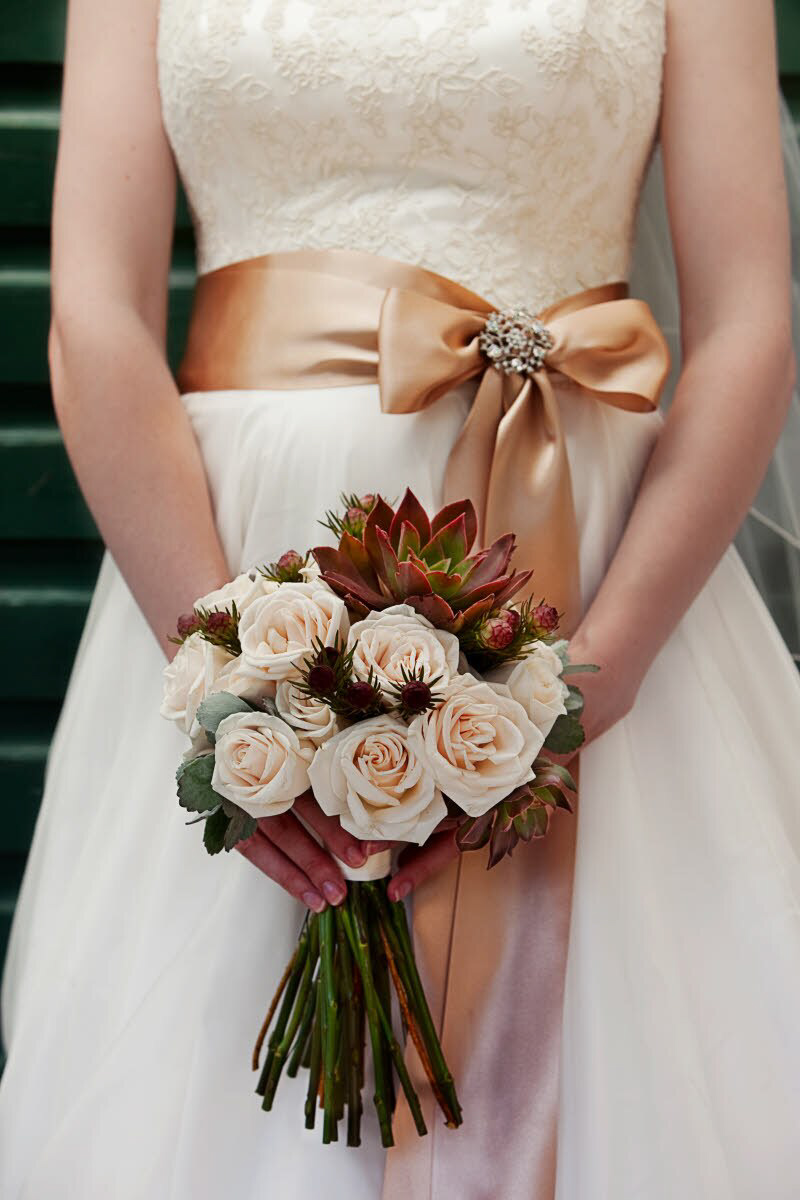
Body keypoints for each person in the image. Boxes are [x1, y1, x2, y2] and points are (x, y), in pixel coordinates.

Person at [2, 1, 800, 1197]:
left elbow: (746, 321)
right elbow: (95, 319)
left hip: (589, 580)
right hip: (235, 571)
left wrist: (599, 671)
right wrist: (230, 689)